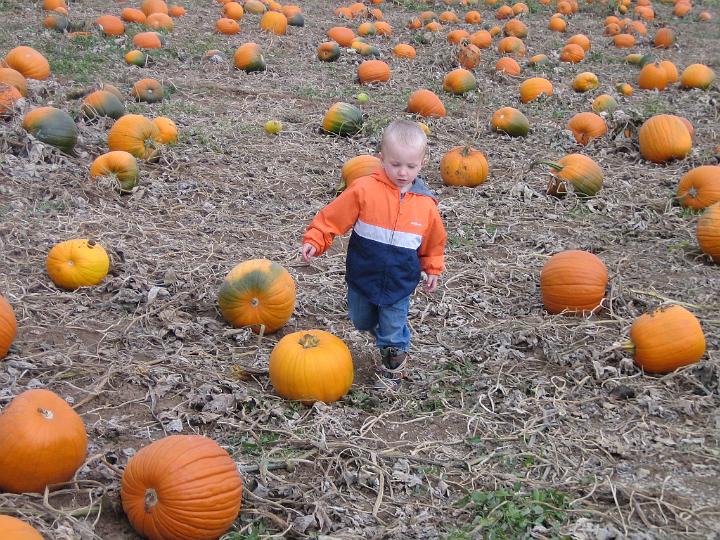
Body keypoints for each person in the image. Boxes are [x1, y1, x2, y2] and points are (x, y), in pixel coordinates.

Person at [301, 120, 447, 389]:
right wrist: (316, 239)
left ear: (423, 163)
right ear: (381, 158)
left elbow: (433, 242)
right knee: (361, 319)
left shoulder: (426, 205)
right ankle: (386, 337)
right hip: (363, 274)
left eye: (411, 166)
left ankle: (394, 363)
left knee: (392, 328)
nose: (403, 172)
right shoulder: (364, 189)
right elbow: (333, 218)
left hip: (400, 281)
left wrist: (433, 268)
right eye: (395, 164)